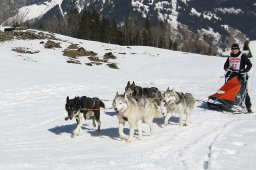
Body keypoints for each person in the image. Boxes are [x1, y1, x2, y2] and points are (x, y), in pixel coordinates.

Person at [224, 43, 253, 113]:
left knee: (243, 91)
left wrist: (244, 71)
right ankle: (228, 102)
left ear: (238, 49)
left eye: (235, 49)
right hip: (232, 74)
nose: (234, 50)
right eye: (232, 49)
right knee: (228, 88)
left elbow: (249, 64)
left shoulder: (242, 56)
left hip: (241, 75)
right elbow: (225, 66)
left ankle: (248, 107)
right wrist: (228, 70)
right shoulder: (230, 56)